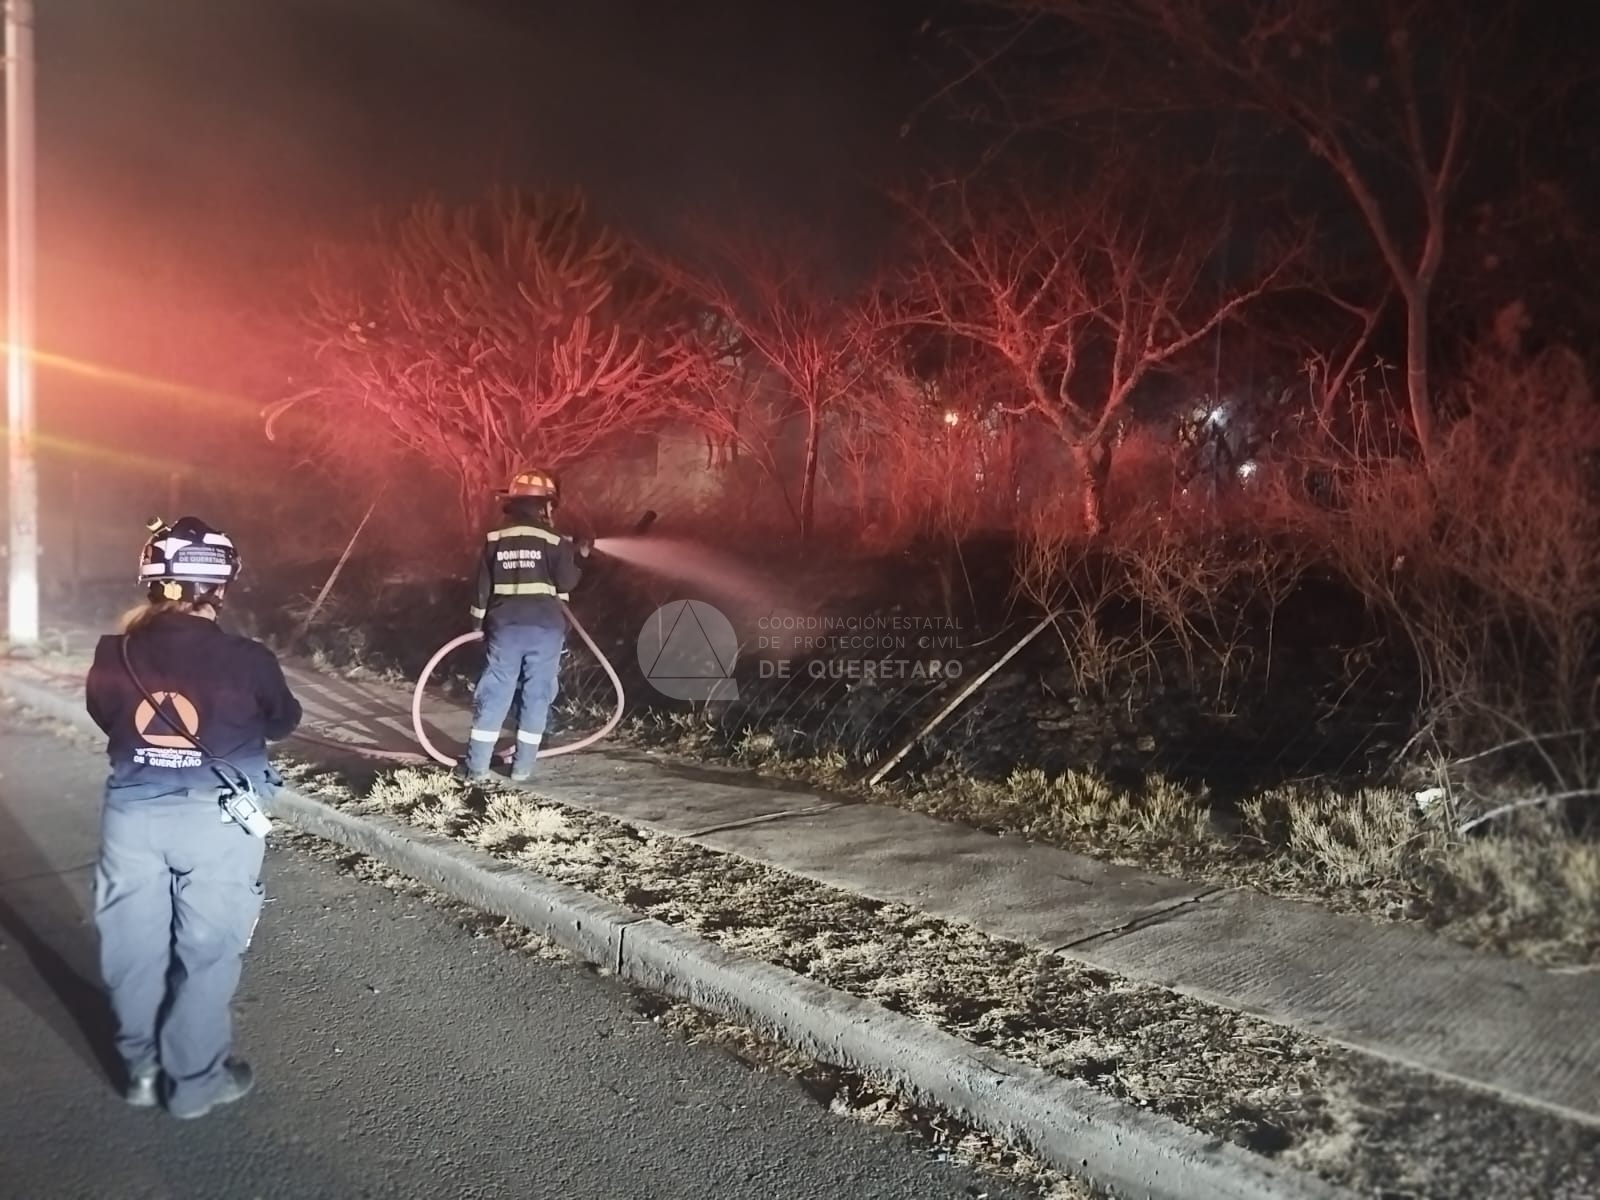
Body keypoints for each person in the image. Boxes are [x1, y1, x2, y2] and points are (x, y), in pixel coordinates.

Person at [85, 516, 302, 1119]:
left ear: (153, 579)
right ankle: (194, 1084)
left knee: (133, 948)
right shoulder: (249, 659)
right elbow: (282, 722)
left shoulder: (114, 652)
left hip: (133, 818)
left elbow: (106, 716)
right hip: (219, 825)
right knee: (206, 953)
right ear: (221, 585)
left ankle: (140, 1071)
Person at [459, 469, 590, 782]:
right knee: (537, 693)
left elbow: (481, 587)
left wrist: (477, 625)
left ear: (513, 502)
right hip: (546, 630)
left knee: (496, 691)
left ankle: (476, 767)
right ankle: (522, 768)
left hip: (505, 627)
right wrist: (581, 557)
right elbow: (567, 582)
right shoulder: (554, 540)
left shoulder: (495, 538)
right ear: (545, 505)